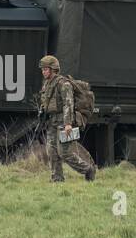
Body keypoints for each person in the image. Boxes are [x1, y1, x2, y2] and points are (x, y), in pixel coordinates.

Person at [38, 55, 96, 183]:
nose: (43, 72)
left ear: (53, 69)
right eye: (42, 69)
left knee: (64, 152)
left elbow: (68, 103)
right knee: (51, 151)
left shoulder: (63, 84)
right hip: (52, 121)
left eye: (46, 69)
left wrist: (68, 123)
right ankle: (57, 179)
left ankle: (88, 169)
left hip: (64, 122)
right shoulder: (47, 84)